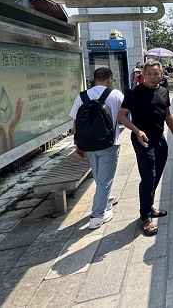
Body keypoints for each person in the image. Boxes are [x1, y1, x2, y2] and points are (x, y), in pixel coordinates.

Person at [118, 61, 173, 236]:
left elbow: (168, 114)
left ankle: (149, 205)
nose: (153, 77)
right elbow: (122, 115)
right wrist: (137, 131)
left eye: (156, 74)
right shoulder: (135, 93)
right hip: (142, 140)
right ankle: (145, 217)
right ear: (143, 74)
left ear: (161, 74)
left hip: (159, 138)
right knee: (148, 177)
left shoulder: (163, 91)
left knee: (157, 174)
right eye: (149, 74)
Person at [69, 67, 124, 229]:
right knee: (105, 180)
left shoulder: (81, 97)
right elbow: (125, 115)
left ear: (95, 80)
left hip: (89, 145)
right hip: (109, 144)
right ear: (109, 79)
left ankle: (106, 200)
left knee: (100, 177)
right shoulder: (116, 95)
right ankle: (98, 216)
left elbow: (75, 122)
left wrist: (78, 144)